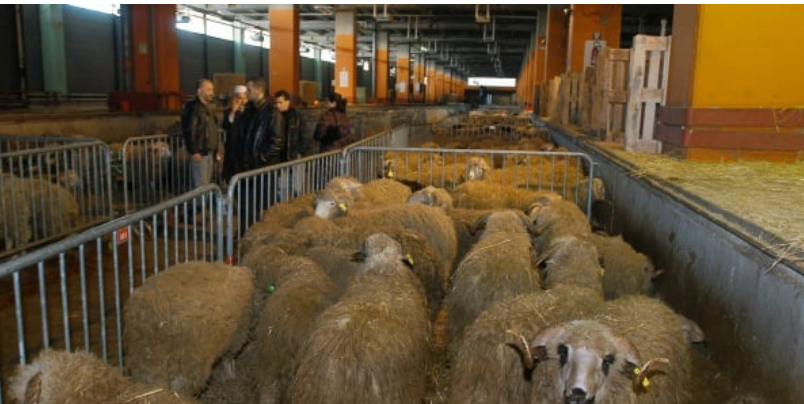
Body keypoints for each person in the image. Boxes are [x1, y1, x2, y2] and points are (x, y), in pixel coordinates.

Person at [180, 78, 221, 189]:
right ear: (199, 91)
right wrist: (194, 151)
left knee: (206, 182)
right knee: (201, 184)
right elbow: (189, 130)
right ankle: (200, 206)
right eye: (208, 90)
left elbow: (212, 130)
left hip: (208, 152)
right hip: (200, 152)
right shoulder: (193, 108)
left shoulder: (206, 109)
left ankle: (203, 204)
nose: (212, 93)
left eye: (212, 90)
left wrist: (216, 150)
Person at [221, 85, 248, 185]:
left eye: (242, 98)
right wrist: (233, 112)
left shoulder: (250, 111)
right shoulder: (230, 111)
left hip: (244, 149)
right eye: (238, 98)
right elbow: (225, 125)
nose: (240, 101)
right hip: (232, 149)